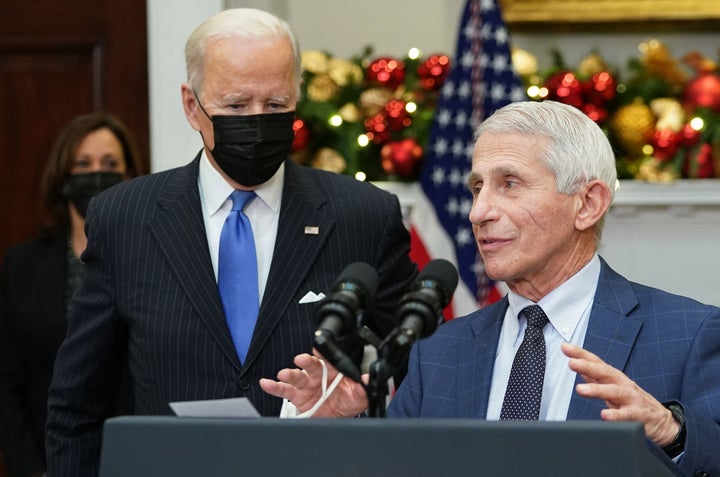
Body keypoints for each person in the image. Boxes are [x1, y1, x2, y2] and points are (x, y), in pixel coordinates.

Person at [45, 8, 417, 477]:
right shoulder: (125, 218)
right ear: (191, 105)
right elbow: (77, 405)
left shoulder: (362, 216)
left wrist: (361, 406)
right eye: (237, 106)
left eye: (276, 105)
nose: (258, 121)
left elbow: (423, 370)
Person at [260, 100, 720, 477]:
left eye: (509, 184)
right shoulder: (437, 350)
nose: (479, 212)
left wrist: (670, 430)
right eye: (477, 187)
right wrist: (348, 427)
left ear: (588, 203)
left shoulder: (688, 333)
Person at [0, 112, 141, 477]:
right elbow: (7, 381)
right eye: (83, 164)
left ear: (129, 177)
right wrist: (31, 469)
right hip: (47, 460)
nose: (96, 174)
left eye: (109, 163)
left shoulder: (150, 259)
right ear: (62, 177)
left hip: (133, 456)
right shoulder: (22, 265)